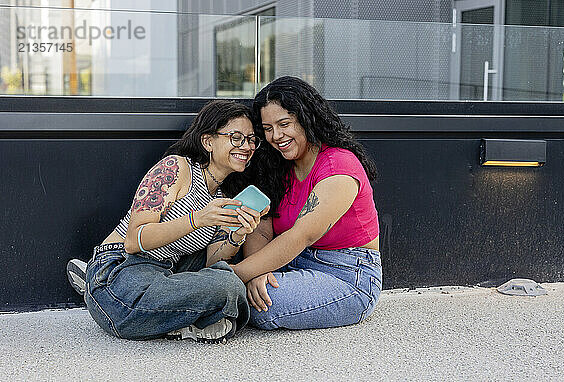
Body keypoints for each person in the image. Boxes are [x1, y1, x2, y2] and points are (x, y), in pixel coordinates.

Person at [66, 100, 268, 343]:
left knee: (227, 283)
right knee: (225, 289)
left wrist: (238, 234)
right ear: (208, 141)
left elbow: (213, 264)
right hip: (124, 264)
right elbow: (133, 241)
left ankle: (144, 312)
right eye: (236, 137)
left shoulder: (222, 198)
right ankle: (99, 290)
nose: (246, 146)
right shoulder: (174, 169)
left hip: (166, 272)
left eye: (251, 139)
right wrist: (197, 219)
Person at [231, 76, 382, 330]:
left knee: (263, 304)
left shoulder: (338, 166)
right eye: (267, 128)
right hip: (291, 263)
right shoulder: (278, 167)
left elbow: (301, 236)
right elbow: (261, 227)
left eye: (284, 124)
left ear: (306, 118)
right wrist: (256, 271)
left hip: (347, 276)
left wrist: (232, 277)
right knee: (253, 294)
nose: (276, 136)